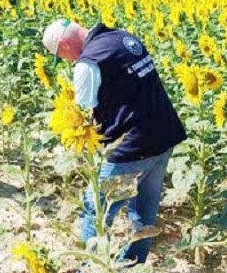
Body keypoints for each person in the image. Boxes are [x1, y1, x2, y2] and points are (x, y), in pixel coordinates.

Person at [42, 18, 188, 265]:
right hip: (164, 135)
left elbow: (83, 116)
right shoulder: (122, 37)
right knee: (143, 212)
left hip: (132, 147)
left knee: (96, 209)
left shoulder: (88, 63)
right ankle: (133, 265)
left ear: (65, 45)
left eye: (61, 56)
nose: (67, 61)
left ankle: (92, 267)